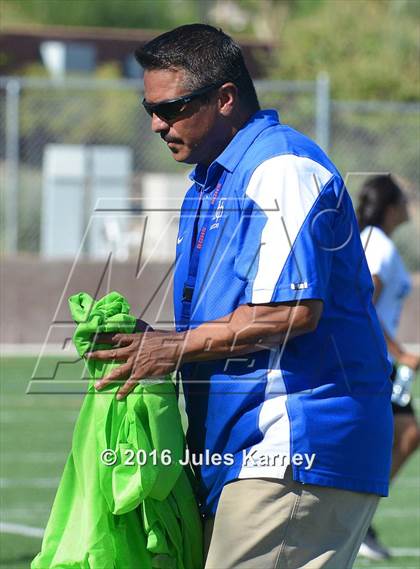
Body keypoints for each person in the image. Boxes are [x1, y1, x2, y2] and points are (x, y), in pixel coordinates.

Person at [88, 24, 393, 568]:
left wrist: (173, 349)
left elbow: (294, 310)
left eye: (174, 107)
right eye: (150, 108)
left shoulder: (280, 168)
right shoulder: (210, 182)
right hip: (246, 449)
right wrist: (154, 344)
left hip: (296, 439)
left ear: (225, 98)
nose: (158, 123)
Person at [357, 175, 420, 561]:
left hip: (379, 358)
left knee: (403, 433)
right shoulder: (376, 247)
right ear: (391, 206)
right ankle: (358, 517)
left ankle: (359, 516)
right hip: (375, 359)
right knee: (405, 433)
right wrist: (400, 353)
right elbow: (364, 304)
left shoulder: (379, 244)